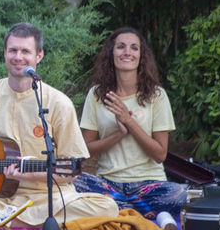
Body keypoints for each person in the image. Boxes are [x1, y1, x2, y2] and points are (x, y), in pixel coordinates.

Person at [0, 22, 118, 229]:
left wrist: (31, 175)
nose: (18, 57)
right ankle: (29, 223)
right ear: (5, 54)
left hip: (47, 197)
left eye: (25, 51)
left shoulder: (58, 103)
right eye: (13, 50)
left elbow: (69, 171)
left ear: (39, 56)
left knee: (107, 206)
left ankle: (8, 222)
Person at [73, 27, 187, 218]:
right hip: (108, 182)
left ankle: (112, 208)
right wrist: (119, 134)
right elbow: (86, 151)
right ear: (112, 53)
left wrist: (129, 122)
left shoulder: (156, 95)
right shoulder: (96, 94)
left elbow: (160, 155)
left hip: (149, 184)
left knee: (178, 194)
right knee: (71, 182)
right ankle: (138, 210)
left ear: (141, 56)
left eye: (134, 48)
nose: (127, 52)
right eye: (120, 47)